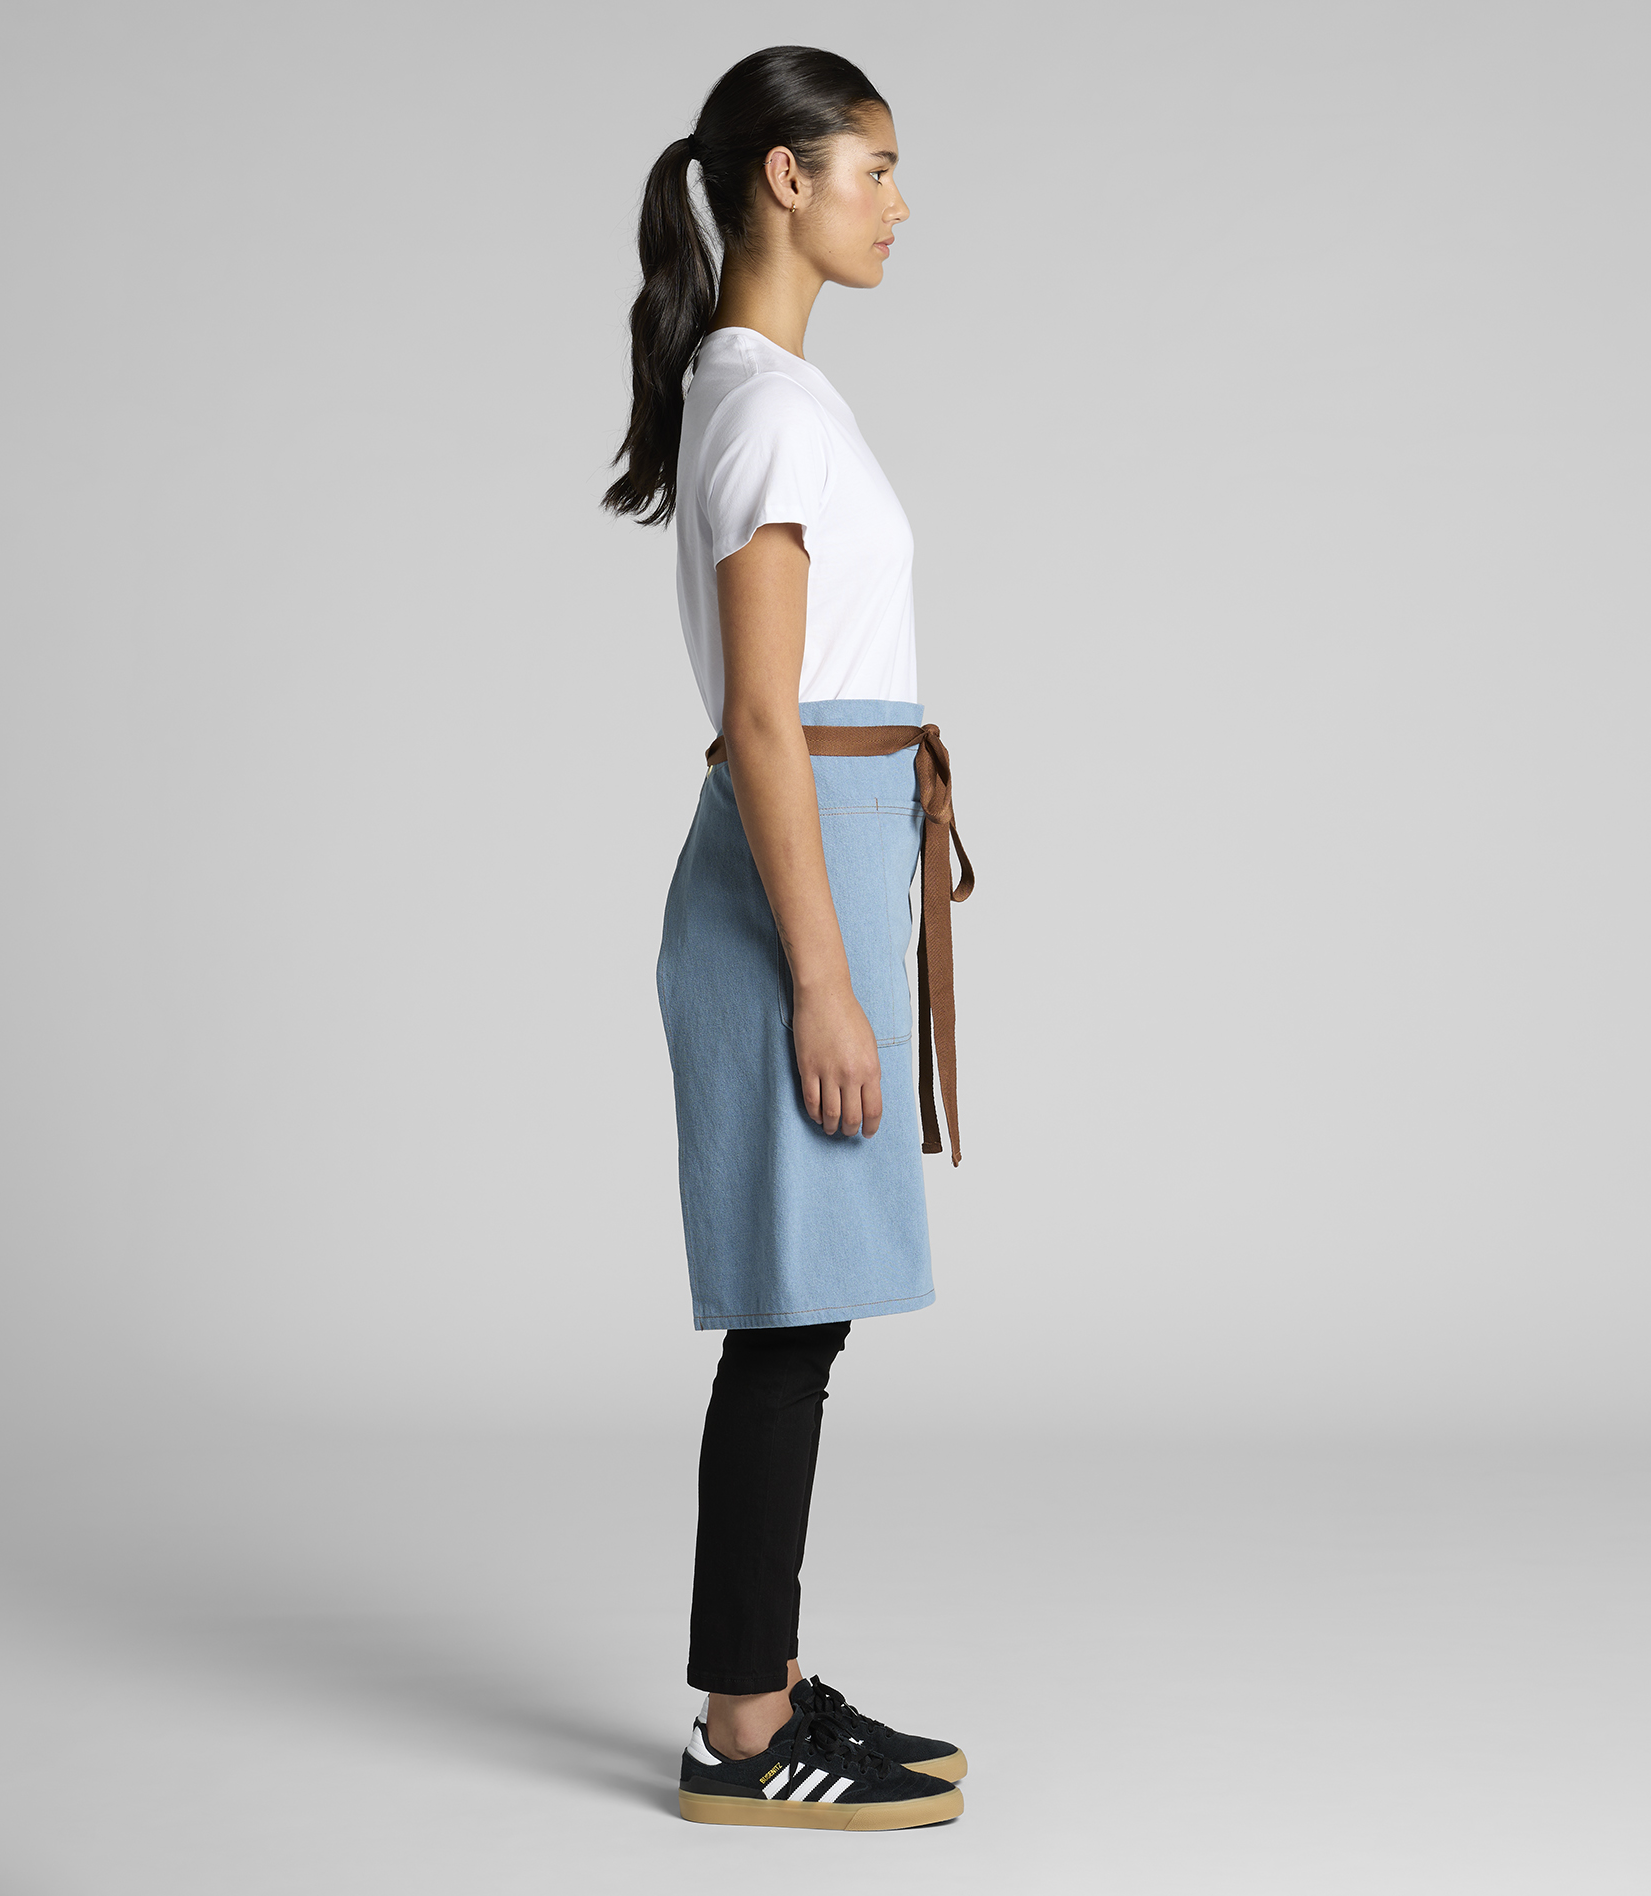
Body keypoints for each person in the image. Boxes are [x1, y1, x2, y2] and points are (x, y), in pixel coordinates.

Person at [604, 46, 974, 1833]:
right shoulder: (759, 409)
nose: (898, 203)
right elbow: (764, 719)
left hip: (829, 858)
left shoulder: (773, 397)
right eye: (875, 168)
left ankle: (758, 1684)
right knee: (786, 1316)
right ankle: (742, 1728)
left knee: (801, 1310)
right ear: (785, 176)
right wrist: (824, 980)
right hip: (789, 884)